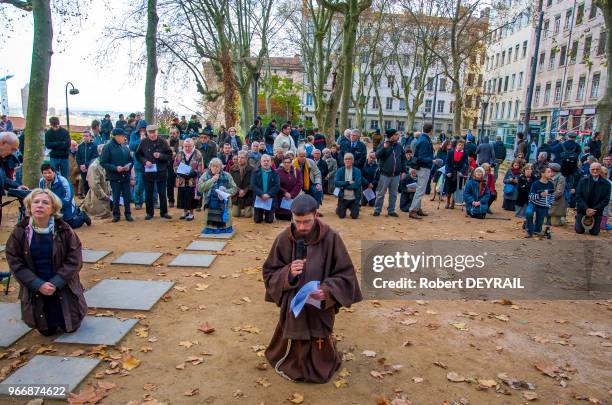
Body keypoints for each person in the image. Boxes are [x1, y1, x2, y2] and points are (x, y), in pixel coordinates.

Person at [262, 193, 362, 383]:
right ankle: (292, 360)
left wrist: (326, 291)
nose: (301, 227)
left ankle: (320, 361)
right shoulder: (284, 238)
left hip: (319, 305)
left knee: (320, 351)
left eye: (306, 222)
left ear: (316, 215)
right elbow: (269, 272)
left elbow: (345, 274)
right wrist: (288, 274)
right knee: (292, 342)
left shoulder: (331, 238)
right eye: (297, 221)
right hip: (294, 306)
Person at [5, 188, 87, 336]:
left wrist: (56, 282)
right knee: (46, 331)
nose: (40, 205)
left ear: (53, 209)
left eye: (45, 203)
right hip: (36, 289)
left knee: (71, 326)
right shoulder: (20, 232)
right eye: (36, 202)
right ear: (29, 206)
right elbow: (15, 262)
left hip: (62, 287)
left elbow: (74, 260)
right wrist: (38, 284)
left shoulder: (64, 230)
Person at [135, 124, 173, 220]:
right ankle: (149, 213)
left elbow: (169, 155)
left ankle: (164, 212)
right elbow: (138, 155)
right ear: (147, 133)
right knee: (148, 193)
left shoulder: (163, 142)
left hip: (161, 171)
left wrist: (160, 155)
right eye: (150, 133)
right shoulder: (143, 142)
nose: (152, 134)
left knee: (162, 193)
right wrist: (145, 161)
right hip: (148, 172)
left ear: (157, 132)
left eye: (154, 132)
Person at [38, 163, 91, 228]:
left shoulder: (63, 181)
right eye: (45, 173)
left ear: (54, 172)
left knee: (68, 225)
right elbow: (41, 196)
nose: (47, 175)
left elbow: (68, 198)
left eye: (49, 172)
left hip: (66, 206)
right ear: (42, 174)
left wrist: (55, 207)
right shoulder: (41, 182)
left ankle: (82, 216)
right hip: (51, 207)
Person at [99, 128, 133, 222]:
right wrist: (115, 168)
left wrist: (128, 167)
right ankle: (116, 215)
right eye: (122, 136)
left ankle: (128, 214)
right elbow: (103, 162)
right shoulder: (108, 147)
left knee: (127, 196)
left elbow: (131, 160)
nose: (124, 138)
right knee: (116, 196)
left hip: (125, 175)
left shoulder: (125, 146)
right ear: (117, 136)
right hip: (115, 176)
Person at [198, 158, 237, 233]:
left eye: (217, 166)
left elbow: (234, 188)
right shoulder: (205, 175)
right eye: (213, 166)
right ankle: (211, 228)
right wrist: (212, 180)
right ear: (210, 167)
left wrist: (225, 192)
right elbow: (200, 188)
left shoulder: (227, 175)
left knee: (225, 222)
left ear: (221, 167)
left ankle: (224, 228)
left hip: (224, 203)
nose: (215, 168)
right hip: (210, 202)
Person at [374, 128, 406, 217]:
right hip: (384, 174)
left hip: (396, 175)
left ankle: (391, 210)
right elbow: (377, 155)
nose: (398, 136)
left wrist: (403, 171)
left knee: (394, 194)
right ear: (392, 136)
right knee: (381, 193)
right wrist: (384, 148)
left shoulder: (399, 146)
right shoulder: (383, 144)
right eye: (396, 134)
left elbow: (403, 159)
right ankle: (377, 210)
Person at [574, 162, 611, 236]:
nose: (595, 171)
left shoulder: (607, 184)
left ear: (600, 170)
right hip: (583, 210)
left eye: (597, 169)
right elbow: (578, 196)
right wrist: (586, 208)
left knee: (594, 233)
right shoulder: (583, 181)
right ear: (589, 170)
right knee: (579, 231)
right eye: (593, 169)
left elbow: (606, 200)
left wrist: (595, 209)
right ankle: (578, 219)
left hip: (597, 212)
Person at [174, 138, 204, 221]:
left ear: (193, 145)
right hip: (182, 179)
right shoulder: (180, 153)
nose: (187, 148)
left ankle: (191, 213)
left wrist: (192, 173)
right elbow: (175, 165)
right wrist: (180, 173)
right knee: (182, 195)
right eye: (185, 146)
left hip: (192, 180)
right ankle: (184, 212)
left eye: (189, 146)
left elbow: (200, 168)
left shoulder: (198, 154)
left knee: (191, 196)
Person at [409, 124, 434, 219]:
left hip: (421, 167)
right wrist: (432, 160)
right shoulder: (424, 141)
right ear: (430, 130)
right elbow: (422, 157)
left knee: (420, 189)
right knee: (420, 190)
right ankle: (413, 210)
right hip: (423, 167)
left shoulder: (422, 138)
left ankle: (417, 208)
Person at [81, 144, 112, 219]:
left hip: (106, 193)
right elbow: (94, 185)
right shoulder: (94, 167)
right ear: (99, 152)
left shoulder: (107, 163)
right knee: (102, 213)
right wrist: (104, 196)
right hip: (98, 197)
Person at [525, 167, 555, 238]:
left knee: (538, 229)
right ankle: (529, 231)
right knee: (529, 212)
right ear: (542, 174)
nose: (551, 173)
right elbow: (530, 197)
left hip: (543, 206)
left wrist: (549, 204)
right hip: (533, 204)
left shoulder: (551, 184)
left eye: (551, 172)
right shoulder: (535, 184)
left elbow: (552, 196)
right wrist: (540, 195)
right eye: (548, 172)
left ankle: (535, 229)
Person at [251, 154, 279, 224]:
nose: (266, 162)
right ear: (261, 162)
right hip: (258, 198)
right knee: (257, 220)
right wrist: (261, 194)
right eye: (264, 161)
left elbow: (277, 186)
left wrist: (268, 194)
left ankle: (269, 214)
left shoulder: (275, 173)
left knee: (269, 221)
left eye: (268, 161)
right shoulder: (255, 172)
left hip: (270, 199)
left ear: (271, 162)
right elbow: (253, 185)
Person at [275, 154, 303, 221]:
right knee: (281, 217)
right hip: (281, 197)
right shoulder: (277, 172)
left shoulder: (297, 171)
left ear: (291, 163)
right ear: (282, 163)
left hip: (293, 197)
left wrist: (291, 194)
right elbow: (276, 184)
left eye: (288, 162)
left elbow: (299, 184)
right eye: (285, 162)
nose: (287, 164)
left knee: (291, 216)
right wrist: (284, 192)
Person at [334, 153, 362, 219]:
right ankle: (339, 208)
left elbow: (357, 185)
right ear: (343, 160)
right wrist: (348, 182)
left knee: (354, 216)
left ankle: (353, 208)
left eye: (349, 159)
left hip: (353, 199)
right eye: (346, 159)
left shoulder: (357, 171)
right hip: (343, 198)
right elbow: (336, 183)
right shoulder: (340, 170)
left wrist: (343, 186)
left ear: (353, 160)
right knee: (341, 216)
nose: (347, 160)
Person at [129, 120, 148, 209]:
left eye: (144, 129)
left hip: (149, 163)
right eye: (142, 129)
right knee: (139, 183)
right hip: (138, 163)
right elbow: (131, 146)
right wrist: (140, 140)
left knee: (151, 183)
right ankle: (137, 202)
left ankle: (152, 201)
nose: (143, 131)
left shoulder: (150, 134)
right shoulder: (134, 135)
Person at [229, 150, 254, 218]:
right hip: (236, 196)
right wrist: (238, 190)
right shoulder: (232, 168)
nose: (240, 159)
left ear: (246, 159)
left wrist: (245, 191)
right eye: (239, 157)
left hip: (248, 195)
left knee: (248, 215)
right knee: (235, 214)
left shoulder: (252, 169)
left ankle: (249, 209)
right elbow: (231, 182)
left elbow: (252, 183)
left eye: (242, 158)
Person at [444, 140, 467, 209]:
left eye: (462, 145)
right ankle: (448, 202)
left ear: (463, 146)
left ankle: (453, 202)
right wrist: (448, 171)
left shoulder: (465, 154)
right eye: (459, 145)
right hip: (450, 173)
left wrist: (462, 172)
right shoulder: (451, 152)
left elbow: (465, 164)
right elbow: (447, 162)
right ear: (456, 145)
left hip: (459, 174)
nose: (460, 146)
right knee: (449, 188)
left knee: (456, 188)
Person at [75, 130, 99, 197]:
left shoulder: (94, 146)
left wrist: (86, 165)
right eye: (84, 136)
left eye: (87, 136)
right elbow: (78, 157)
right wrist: (81, 166)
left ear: (90, 137)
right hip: (82, 170)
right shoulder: (80, 146)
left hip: (91, 169)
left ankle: (92, 200)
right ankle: (86, 201)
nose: (85, 137)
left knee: (91, 184)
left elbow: (94, 158)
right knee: (85, 184)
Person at [167, 128, 181, 208]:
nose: (172, 135)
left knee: (182, 184)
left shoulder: (182, 142)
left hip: (180, 166)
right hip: (169, 165)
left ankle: (180, 201)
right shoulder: (166, 143)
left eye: (174, 133)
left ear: (177, 134)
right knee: (170, 184)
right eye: (170, 133)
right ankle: (171, 201)